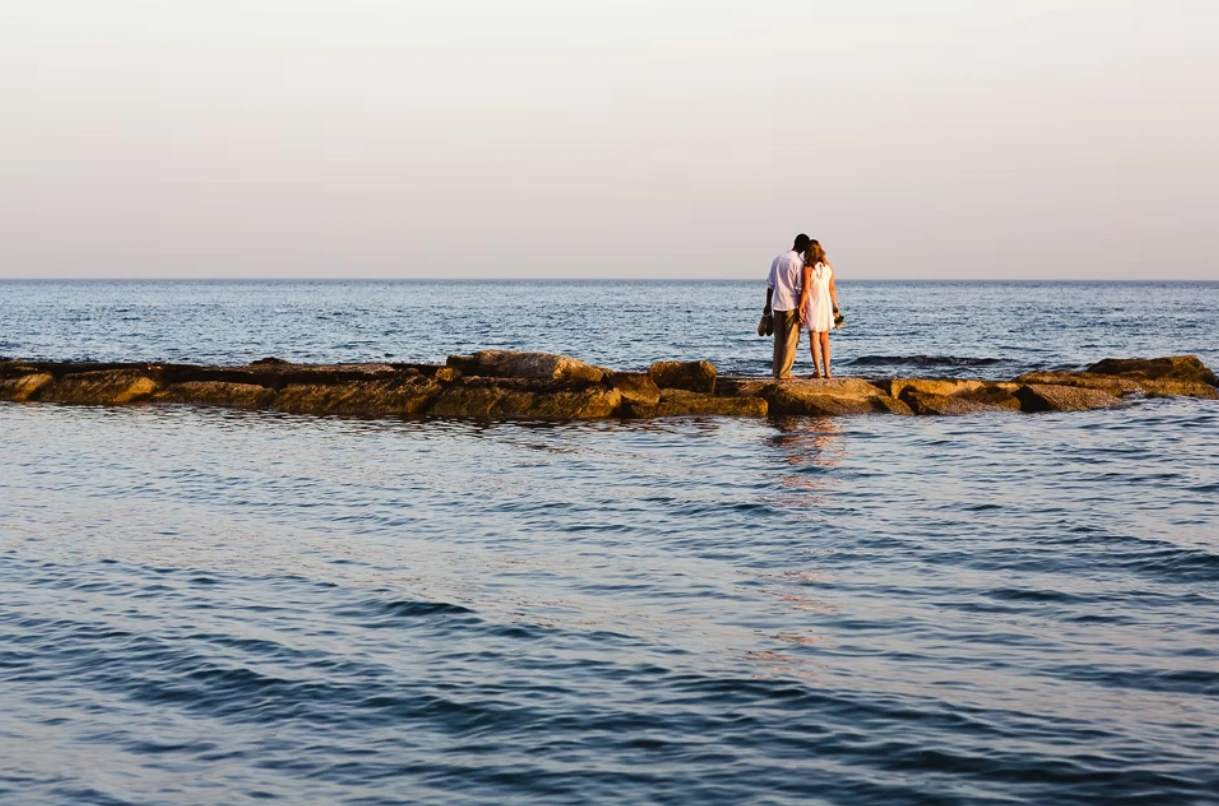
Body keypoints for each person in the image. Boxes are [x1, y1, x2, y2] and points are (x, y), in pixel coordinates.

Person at [764, 234, 810, 379]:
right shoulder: (798, 263)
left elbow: (770, 284)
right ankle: (785, 373)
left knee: (779, 341)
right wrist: (802, 308)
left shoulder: (777, 259)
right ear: (804, 248)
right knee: (791, 341)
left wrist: (767, 304)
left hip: (777, 304)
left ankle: (777, 371)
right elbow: (799, 288)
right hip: (791, 305)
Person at [798, 239, 840, 379]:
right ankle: (828, 371)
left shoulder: (808, 269)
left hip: (814, 305)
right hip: (826, 305)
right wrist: (835, 307)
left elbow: (805, 290)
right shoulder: (828, 267)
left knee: (813, 338)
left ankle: (818, 371)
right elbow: (832, 289)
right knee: (825, 339)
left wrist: (800, 307)